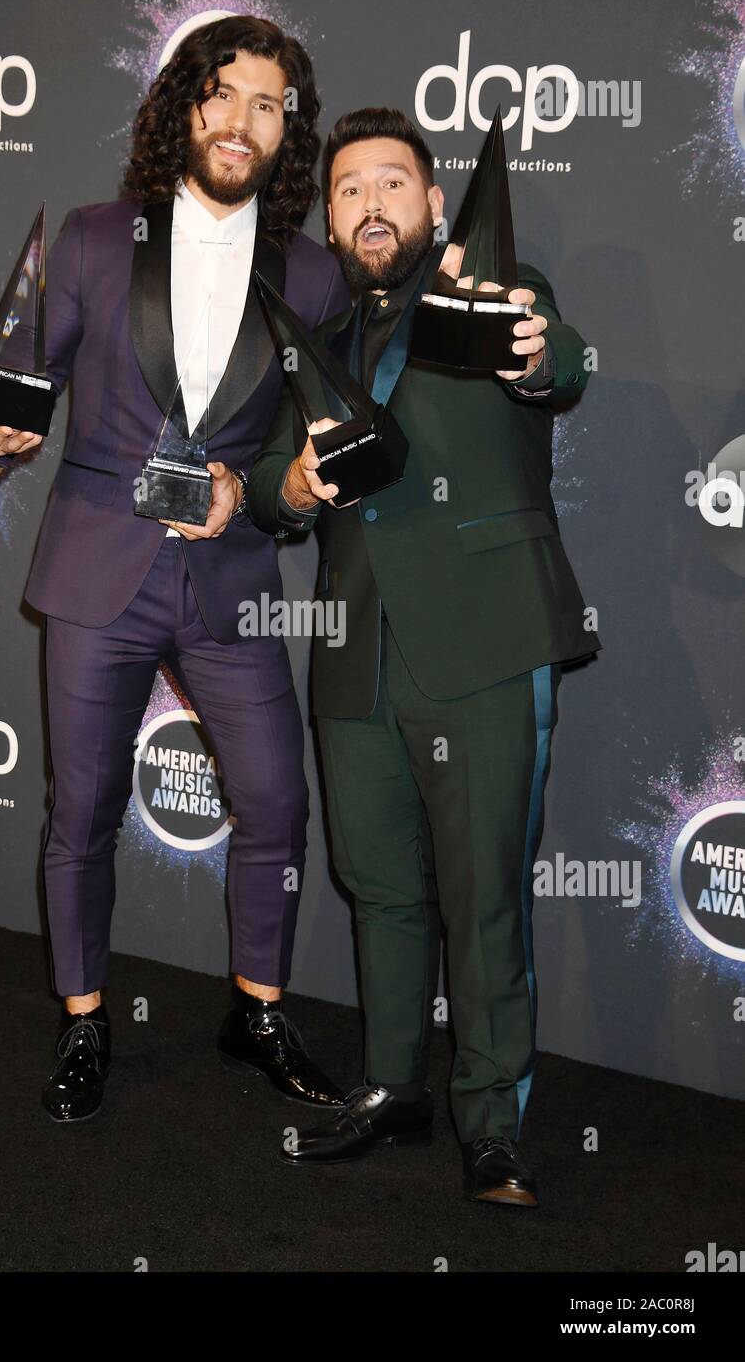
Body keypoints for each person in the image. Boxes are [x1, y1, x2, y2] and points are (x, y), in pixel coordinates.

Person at [0, 16, 351, 1124]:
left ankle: (254, 1008)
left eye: (269, 105)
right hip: (97, 572)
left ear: (287, 133)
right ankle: (84, 1017)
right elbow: (19, 382)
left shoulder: (309, 276)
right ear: (184, 104)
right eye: (223, 94)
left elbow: (308, 435)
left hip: (231, 576)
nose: (242, 121)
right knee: (81, 809)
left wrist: (250, 482)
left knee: (273, 799)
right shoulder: (87, 238)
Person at [246, 107, 601, 1205]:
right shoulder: (320, 339)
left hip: (486, 643)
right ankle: (393, 1090)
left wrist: (541, 351)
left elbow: (558, 360)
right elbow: (267, 482)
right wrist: (295, 486)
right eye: (346, 190)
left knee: (483, 894)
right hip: (356, 658)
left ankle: (491, 1124)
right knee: (382, 890)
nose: (368, 206)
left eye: (390, 184)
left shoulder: (494, 295)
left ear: (434, 203)